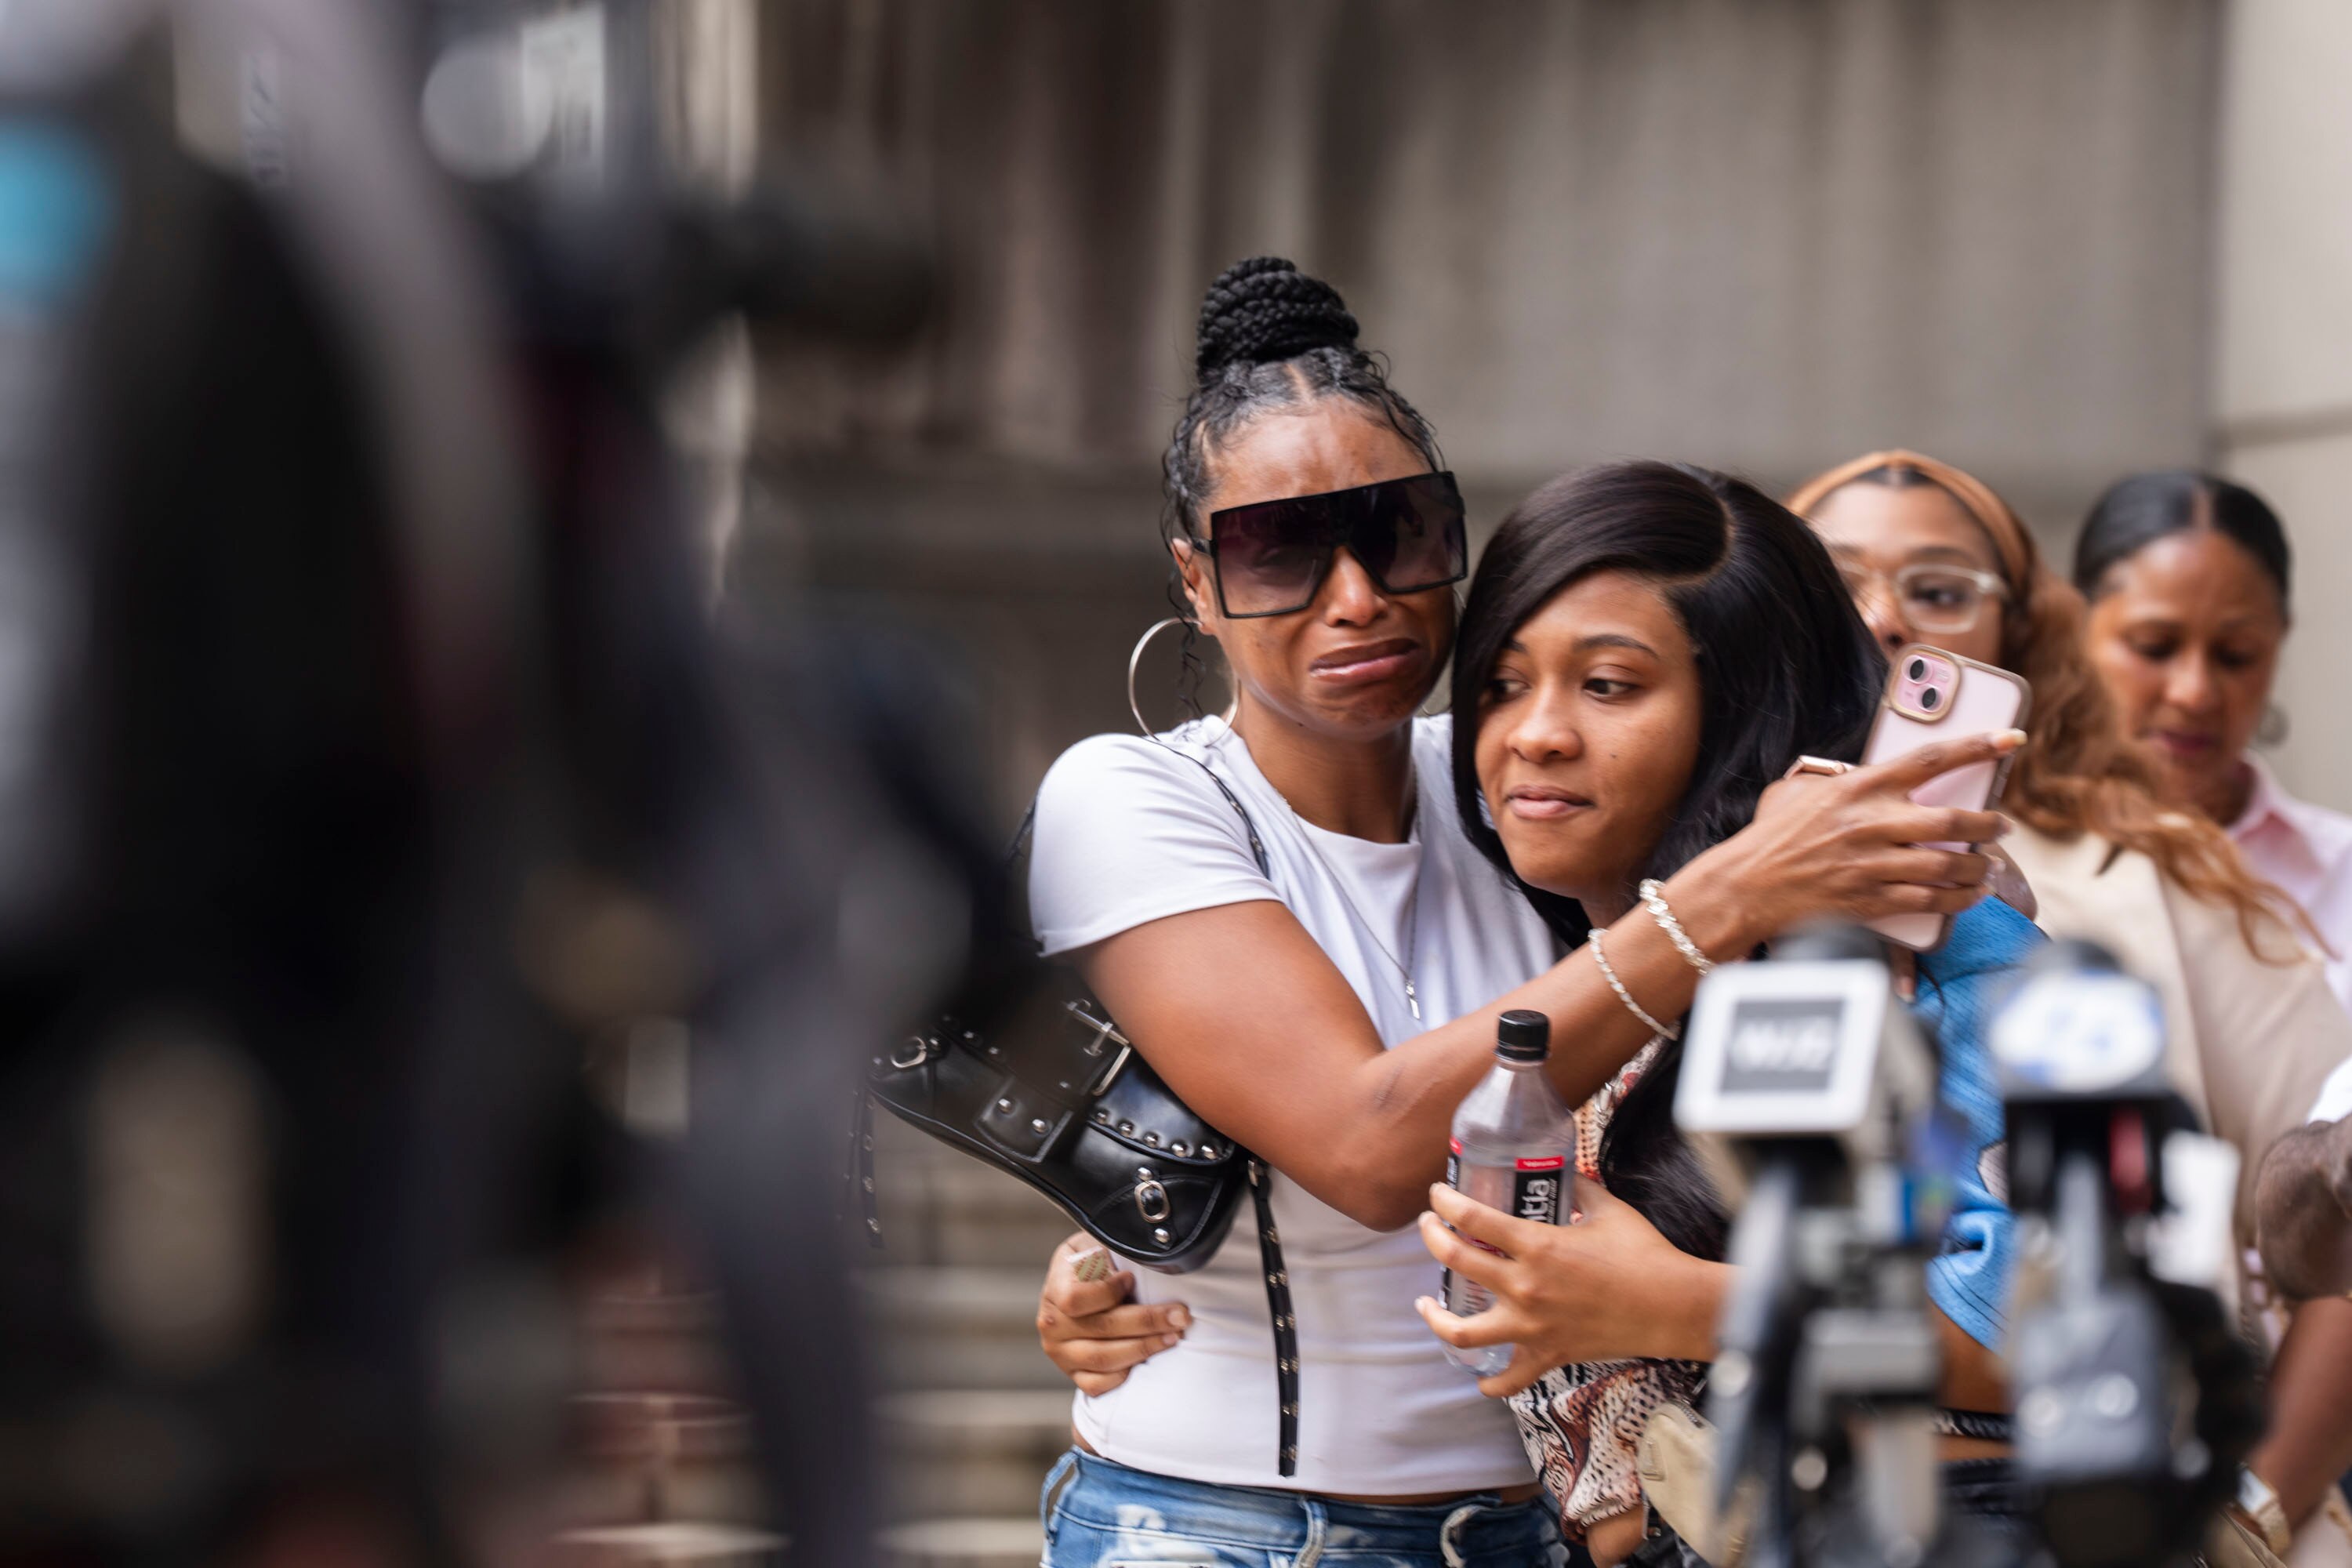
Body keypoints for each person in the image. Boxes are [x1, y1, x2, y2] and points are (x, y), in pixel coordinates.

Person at [1025, 263, 2011, 1568]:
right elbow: (1366, 1147)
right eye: (1278, 552)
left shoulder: (1516, 788)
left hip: (1544, 1528)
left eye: (1399, 533)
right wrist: (1738, 891)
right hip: (1234, 1528)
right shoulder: (1133, 795)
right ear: (1196, 582)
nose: (1356, 595)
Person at [1786, 451, 2352, 1563]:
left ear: (2021, 638)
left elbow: (2341, 1228)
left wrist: (2249, 1517)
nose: (1885, 618)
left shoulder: (2165, 878)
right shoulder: (1683, 876)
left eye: (1940, 589)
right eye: (1836, 580)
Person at [2073, 471, 2352, 1016]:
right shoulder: (2001, 857)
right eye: (2154, 647)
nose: (2194, 693)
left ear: (2280, 643)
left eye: (2236, 655)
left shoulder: (2341, 870)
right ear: (2077, 631)